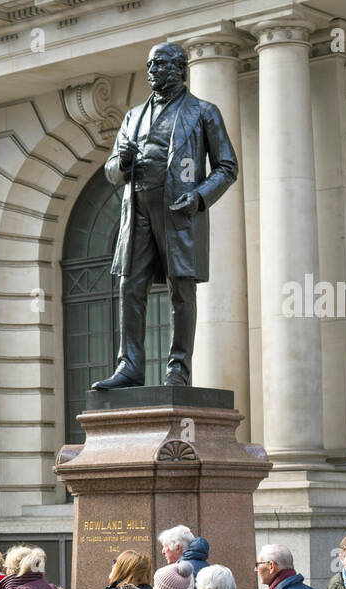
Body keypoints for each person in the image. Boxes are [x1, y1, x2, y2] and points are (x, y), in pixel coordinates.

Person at [94, 41, 238, 389]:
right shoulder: (132, 116)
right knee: (130, 285)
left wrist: (200, 197)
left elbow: (227, 166)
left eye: (158, 64)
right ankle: (129, 365)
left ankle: (179, 369)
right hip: (138, 210)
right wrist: (123, 161)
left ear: (179, 68)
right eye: (149, 65)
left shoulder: (204, 112)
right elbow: (111, 170)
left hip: (179, 212)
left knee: (181, 290)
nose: (151, 72)